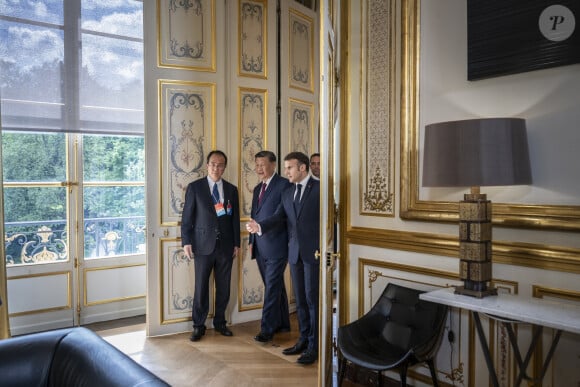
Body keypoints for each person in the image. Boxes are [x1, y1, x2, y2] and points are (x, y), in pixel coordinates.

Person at [247, 151, 320, 365]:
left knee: (312, 301)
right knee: (301, 302)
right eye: (286, 167)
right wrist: (259, 226)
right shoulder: (289, 193)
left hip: (313, 254)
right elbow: (279, 216)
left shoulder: (320, 189)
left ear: (302, 168)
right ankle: (303, 340)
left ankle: (315, 346)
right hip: (294, 253)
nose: (286, 171)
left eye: (289, 167)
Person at [181, 150, 240, 342]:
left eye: (220, 164)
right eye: (213, 164)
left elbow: (234, 220)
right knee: (201, 288)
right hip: (202, 246)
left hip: (226, 246)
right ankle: (199, 325)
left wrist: (237, 244)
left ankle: (220, 322)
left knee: (224, 287)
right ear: (207, 166)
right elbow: (187, 219)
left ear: (224, 167)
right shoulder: (195, 188)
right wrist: (186, 242)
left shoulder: (231, 190)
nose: (216, 168)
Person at [249, 150, 292, 343]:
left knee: (272, 287)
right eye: (257, 165)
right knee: (274, 286)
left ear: (273, 165)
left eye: (262, 164)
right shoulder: (258, 188)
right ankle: (283, 323)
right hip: (260, 245)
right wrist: (252, 242)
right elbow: (254, 215)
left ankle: (267, 330)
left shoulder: (284, 185)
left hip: (277, 246)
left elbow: (281, 214)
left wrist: (261, 227)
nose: (259, 168)